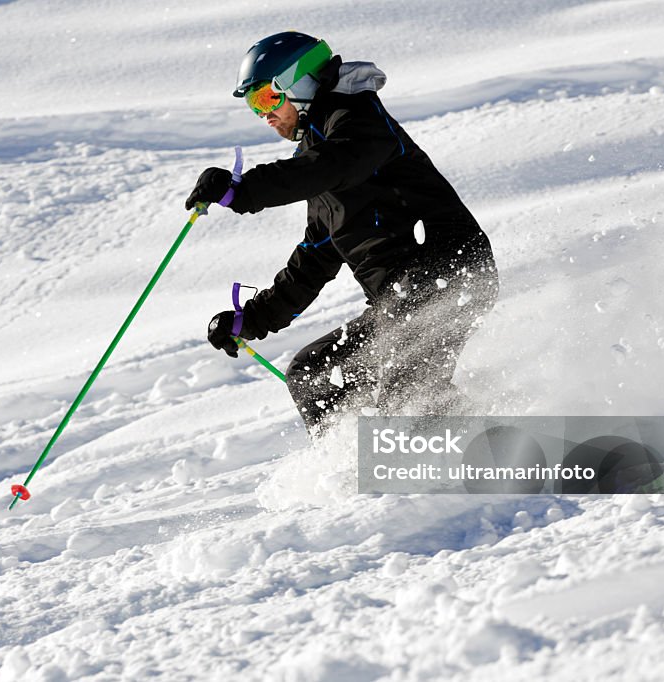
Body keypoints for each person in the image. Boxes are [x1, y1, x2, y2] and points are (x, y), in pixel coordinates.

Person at [185, 31, 498, 434]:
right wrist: (253, 319)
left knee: (407, 399)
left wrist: (243, 190)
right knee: (312, 375)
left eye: (265, 98)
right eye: (252, 105)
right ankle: (351, 473)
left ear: (298, 84)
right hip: (399, 300)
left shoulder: (359, 121)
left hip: (445, 275)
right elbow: (314, 258)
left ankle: (491, 464)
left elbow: (332, 165)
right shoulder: (318, 156)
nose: (263, 114)